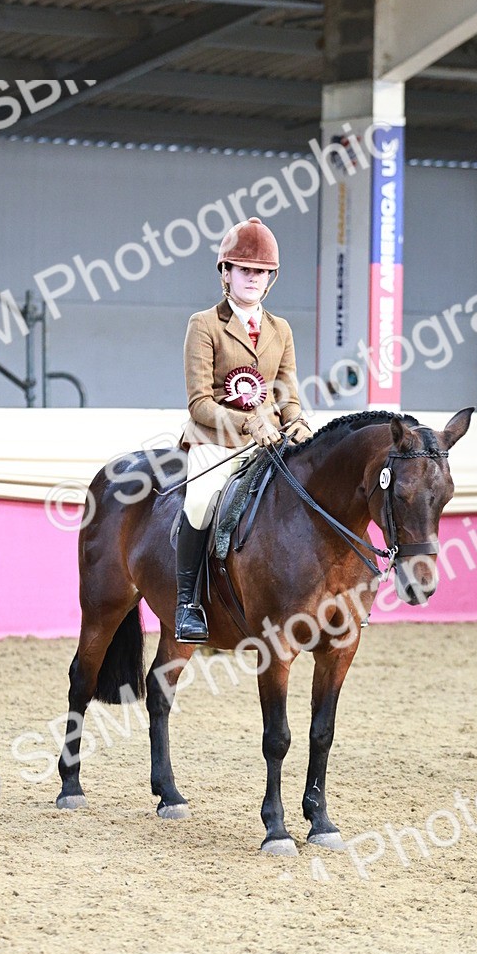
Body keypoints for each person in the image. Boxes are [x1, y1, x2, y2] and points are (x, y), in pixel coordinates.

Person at [175, 216, 313, 642]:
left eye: (261, 273)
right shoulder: (205, 324)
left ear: (270, 279)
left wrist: (301, 422)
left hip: (271, 440)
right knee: (199, 502)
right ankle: (188, 603)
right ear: (226, 273)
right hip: (215, 441)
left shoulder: (281, 329)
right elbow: (199, 403)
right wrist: (247, 422)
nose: (252, 279)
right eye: (245, 270)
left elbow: (287, 391)